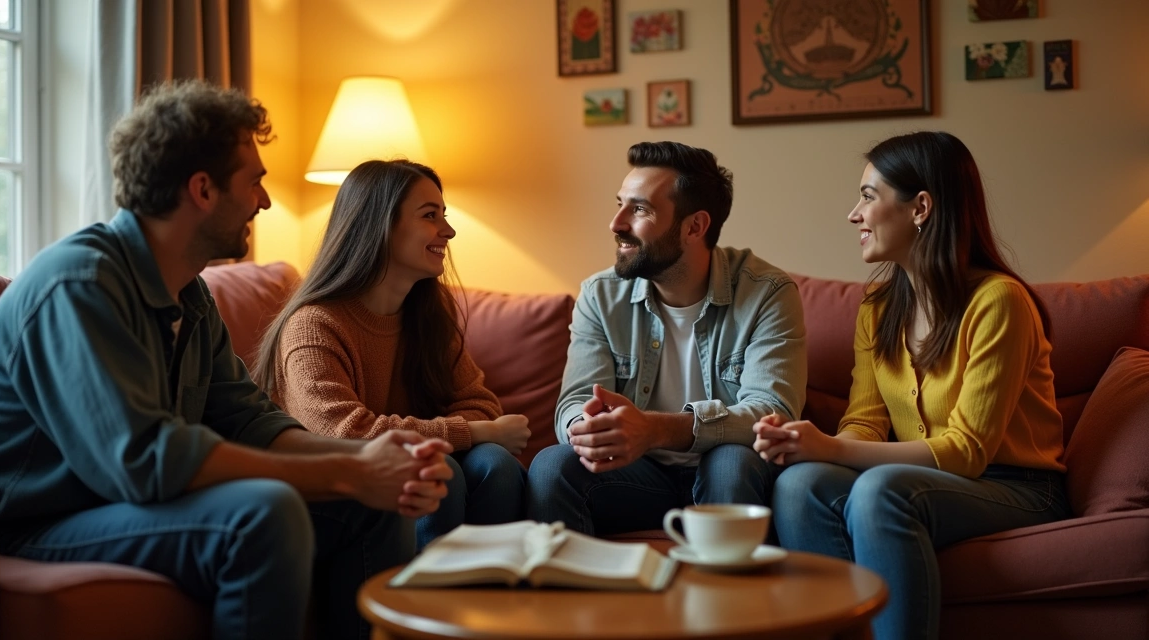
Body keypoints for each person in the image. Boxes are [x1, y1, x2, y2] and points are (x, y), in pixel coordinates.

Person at [0, 80, 453, 640]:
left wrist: (368, 457)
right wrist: (349, 470)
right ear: (202, 190)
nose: (264, 201)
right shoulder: (80, 284)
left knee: (373, 505)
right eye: (255, 181)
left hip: (128, 504)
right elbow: (146, 461)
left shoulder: (189, 293)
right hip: (37, 525)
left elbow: (250, 422)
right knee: (264, 512)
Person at [755, 131, 1071, 640]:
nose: (853, 215)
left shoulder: (999, 301)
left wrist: (831, 446)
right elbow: (864, 422)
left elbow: (968, 451)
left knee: (881, 491)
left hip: (1017, 487)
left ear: (921, 206)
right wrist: (810, 447)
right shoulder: (879, 307)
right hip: (928, 481)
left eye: (867, 196)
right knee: (799, 485)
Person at [527, 141, 807, 536]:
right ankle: (570, 590)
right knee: (552, 464)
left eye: (639, 209)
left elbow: (772, 412)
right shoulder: (601, 295)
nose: (616, 222)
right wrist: (586, 429)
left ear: (695, 226)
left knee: (731, 461)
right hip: (635, 478)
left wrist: (656, 429)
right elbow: (574, 402)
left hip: (727, 473)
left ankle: (726, 596)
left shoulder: (766, 292)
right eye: (620, 203)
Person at [251, 159, 529, 549]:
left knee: (496, 464)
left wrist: (469, 432)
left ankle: (495, 600)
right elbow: (345, 432)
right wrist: (471, 432)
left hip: (406, 466)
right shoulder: (313, 324)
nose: (448, 231)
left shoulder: (427, 315)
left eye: (443, 215)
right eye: (430, 216)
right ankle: (422, 602)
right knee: (437, 466)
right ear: (379, 225)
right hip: (335, 495)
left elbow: (478, 402)